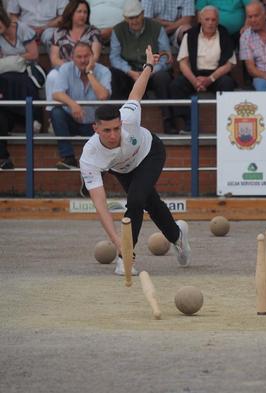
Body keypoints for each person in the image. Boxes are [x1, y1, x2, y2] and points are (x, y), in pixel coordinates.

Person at [80, 45, 191, 276]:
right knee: (149, 202)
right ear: (95, 129)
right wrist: (116, 241)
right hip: (122, 168)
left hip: (149, 152)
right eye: (107, 131)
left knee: (136, 199)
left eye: (116, 129)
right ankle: (177, 236)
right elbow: (101, 206)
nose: (113, 135)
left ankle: (125, 259)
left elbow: (136, 93)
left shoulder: (129, 118)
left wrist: (149, 66)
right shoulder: (90, 156)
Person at [109, 0, 175, 134]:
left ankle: (168, 121)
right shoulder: (118, 30)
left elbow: (165, 56)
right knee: (114, 74)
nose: (134, 21)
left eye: (137, 17)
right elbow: (114, 57)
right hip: (130, 74)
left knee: (163, 78)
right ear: (125, 18)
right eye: (130, 18)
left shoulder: (157, 28)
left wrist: (150, 70)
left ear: (143, 14)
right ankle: (117, 120)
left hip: (153, 72)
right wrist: (129, 71)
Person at [169, 6, 236, 133]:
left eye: (213, 20)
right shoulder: (190, 34)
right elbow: (183, 62)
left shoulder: (224, 33)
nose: (210, 23)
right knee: (176, 86)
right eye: (207, 19)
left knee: (227, 83)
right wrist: (195, 82)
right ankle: (187, 125)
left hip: (217, 75)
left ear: (217, 21)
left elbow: (229, 64)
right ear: (200, 19)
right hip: (195, 76)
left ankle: (224, 125)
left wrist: (210, 79)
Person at [51, 42, 111, 169]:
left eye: (86, 56)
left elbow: (103, 96)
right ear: (73, 57)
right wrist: (73, 104)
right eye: (79, 57)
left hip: (94, 125)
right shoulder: (66, 68)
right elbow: (56, 93)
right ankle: (68, 158)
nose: (83, 60)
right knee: (57, 112)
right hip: (73, 120)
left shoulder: (104, 71)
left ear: (93, 56)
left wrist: (89, 73)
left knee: (94, 164)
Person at [0, 5, 41, 169]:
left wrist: (15, 59)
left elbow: (34, 54)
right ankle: (4, 157)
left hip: (26, 71)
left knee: (23, 83)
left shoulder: (22, 29)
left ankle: (32, 118)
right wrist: (13, 60)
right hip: (6, 75)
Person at [46, 0, 102, 112]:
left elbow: (95, 56)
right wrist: (70, 68)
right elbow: (54, 58)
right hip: (64, 69)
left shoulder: (93, 32)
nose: (83, 15)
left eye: (85, 12)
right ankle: (53, 114)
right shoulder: (59, 32)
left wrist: (80, 67)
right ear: (71, 13)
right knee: (52, 76)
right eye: (79, 11)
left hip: (86, 69)